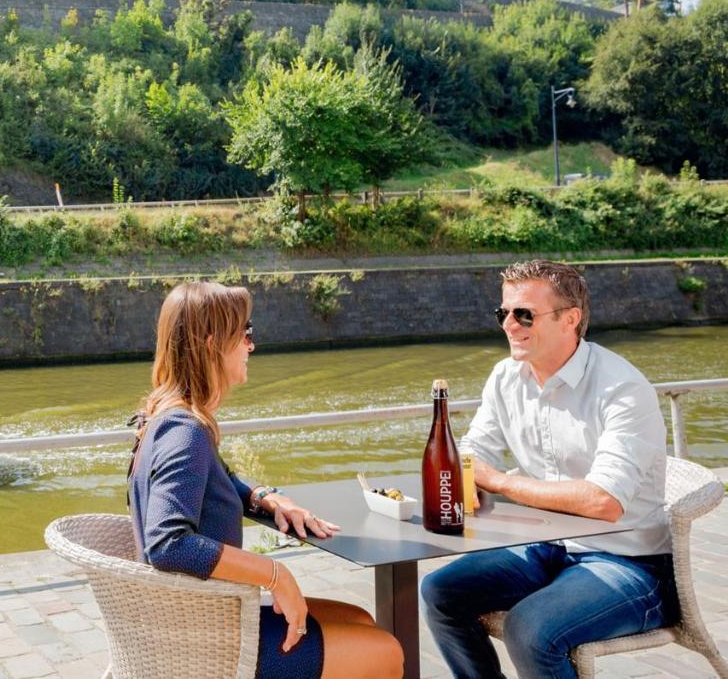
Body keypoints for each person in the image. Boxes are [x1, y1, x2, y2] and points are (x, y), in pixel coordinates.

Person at [129, 281, 402, 679]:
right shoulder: (185, 431)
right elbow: (167, 543)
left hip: (188, 623)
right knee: (386, 652)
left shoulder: (167, 416)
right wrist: (276, 574)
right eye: (245, 334)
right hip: (210, 645)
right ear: (211, 345)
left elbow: (216, 476)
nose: (251, 346)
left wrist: (265, 496)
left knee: (360, 617)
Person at [421, 260, 674, 679]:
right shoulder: (506, 377)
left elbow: (603, 502)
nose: (509, 325)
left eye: (524, 314)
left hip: (630, 564)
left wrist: (500, 482)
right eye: (503, 312)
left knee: (531, 629)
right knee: (440, 592)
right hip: (547, 546)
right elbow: (470, 452)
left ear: (569, 319)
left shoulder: (622, 389)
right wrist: (468, 481)